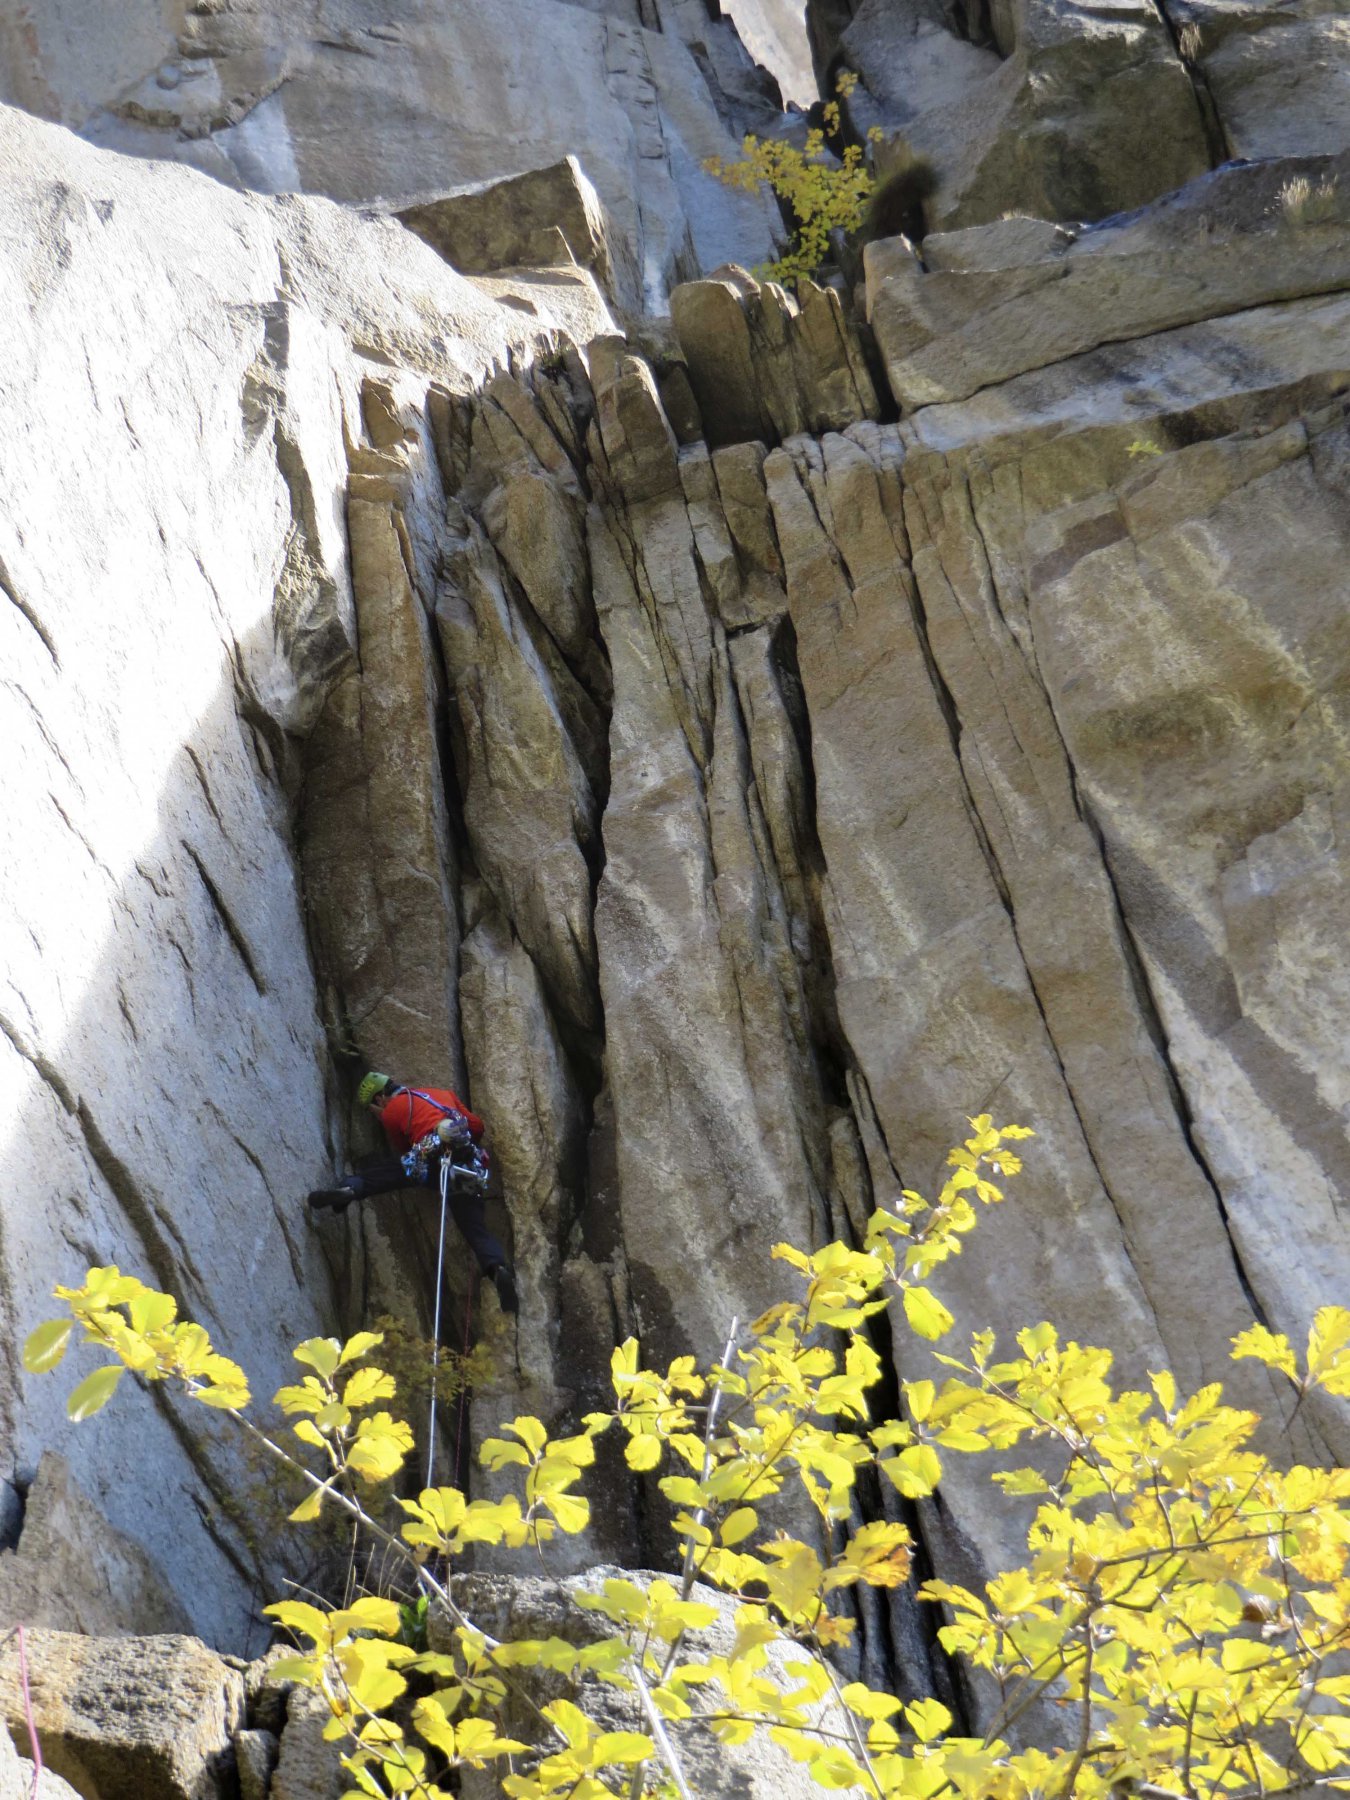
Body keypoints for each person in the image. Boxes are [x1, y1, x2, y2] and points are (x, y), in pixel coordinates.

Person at [308, 1072, 518, 1313]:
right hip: (466, 1164)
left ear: (379, 1098)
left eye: (371, 1109)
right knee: (474, 1226)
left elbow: (404, 1149)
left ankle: (349, 1189)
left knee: (387, 1173)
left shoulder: (393, 1110)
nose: (375, 1115)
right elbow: (476, 1126)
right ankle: (497, 1269)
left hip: (432, 1162)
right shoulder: (442, 1094)